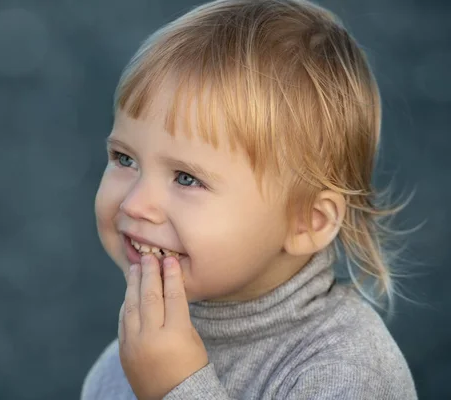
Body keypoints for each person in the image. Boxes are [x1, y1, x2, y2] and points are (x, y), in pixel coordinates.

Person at [82, 0, 418, 398]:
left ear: (309, 221)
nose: (135, 204)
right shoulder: (126, 359)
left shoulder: (346, 370)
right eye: (125, 158)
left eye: (187, 178)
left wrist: (174, 389)